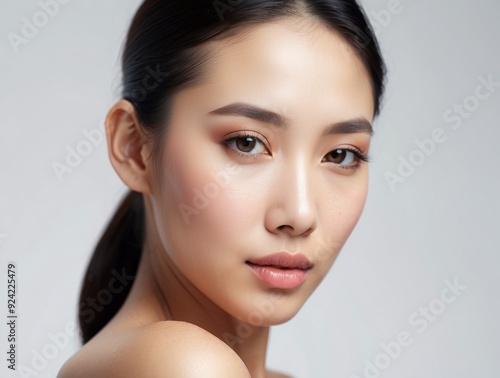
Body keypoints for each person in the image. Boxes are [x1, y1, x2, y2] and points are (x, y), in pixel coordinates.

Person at [58, 0, 386, 376]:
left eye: (341, 155)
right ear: (133, 148)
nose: (300, 214)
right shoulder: (182, 365)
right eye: (246, 143)